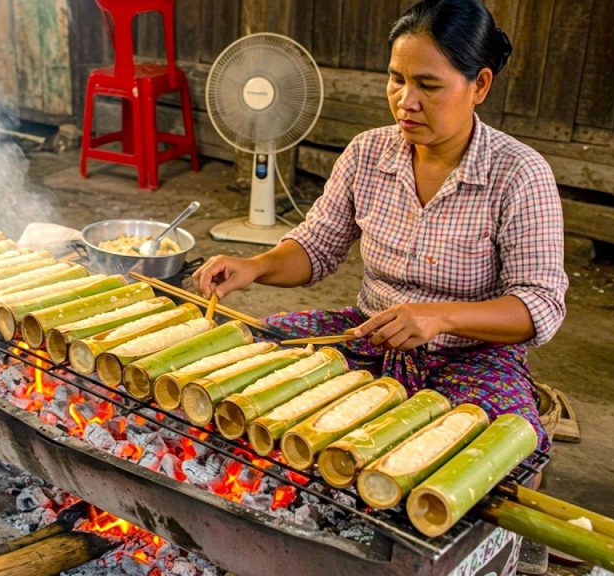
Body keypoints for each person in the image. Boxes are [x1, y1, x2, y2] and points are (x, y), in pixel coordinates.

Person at [193, 0, 567, 454]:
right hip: (367, 337)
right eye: (397, 79)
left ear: (480, 85)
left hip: (472, 358)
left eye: (428, 86)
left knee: (498, 453)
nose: (406, 102)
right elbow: (316, 247)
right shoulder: (368, 152)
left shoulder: (519, 173)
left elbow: (539, 305)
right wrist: (255, 266)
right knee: (242, 363)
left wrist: (439, 317)